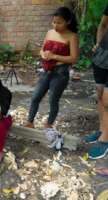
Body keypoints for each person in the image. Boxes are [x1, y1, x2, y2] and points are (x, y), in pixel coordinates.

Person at [25, 7, 79, 129]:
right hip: (46, 71)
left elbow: (74, 58)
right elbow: (42, 49)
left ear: (68, 22)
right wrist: (43, 54)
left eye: (59, 23)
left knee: (53, 100)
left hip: (60, 73)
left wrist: (54, 56)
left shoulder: (72, 36)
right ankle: (29, 122)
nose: (55, 25)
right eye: (54, 22)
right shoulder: (50, 33)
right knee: (35, 97)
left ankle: (49, 125)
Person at [84, 4, 108, 160]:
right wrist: (98, 44)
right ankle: (102, 129)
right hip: (103, 55)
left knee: (107, 99)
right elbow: (103, 24)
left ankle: (105, 139)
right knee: (100, 94)